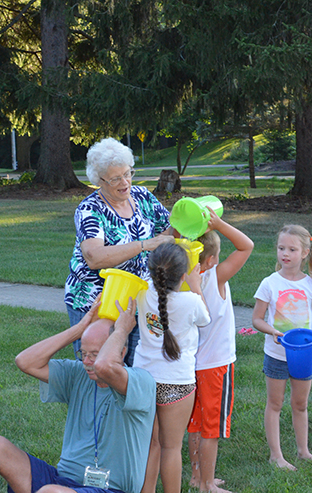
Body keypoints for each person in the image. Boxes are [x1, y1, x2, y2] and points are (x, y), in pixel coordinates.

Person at [0, 296, 156, 493]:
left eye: (95, 354)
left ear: (122, 351)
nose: (87, 361)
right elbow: (25, 361)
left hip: (111, 489)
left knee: (50, 492)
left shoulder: (140, 382)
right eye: (83, 353)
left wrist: (122, 330)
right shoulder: (78, 375)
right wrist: (78, 329)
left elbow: (105, 366)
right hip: (63, 481)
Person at [64, 137, 174, 364]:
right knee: (99, 368)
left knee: (132, 369)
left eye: (128, 173)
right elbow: (94, 257)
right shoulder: (89, 209)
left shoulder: (143, 197)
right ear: (99, 181)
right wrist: (144, 245)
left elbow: (170, 233)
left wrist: (188, 219)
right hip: (96, 302)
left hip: (136, 301)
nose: (125, 182)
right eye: (115, 178)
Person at [133, 242, 211, 493]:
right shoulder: (191, 301)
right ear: (184, 275)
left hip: (143, 380)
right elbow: (206, 319)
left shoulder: (142, 292)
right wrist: (197, 286)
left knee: (151, 444)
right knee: (171, 447)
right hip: (177, 384)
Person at [187, 207, 254, 493]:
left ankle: (194, 475)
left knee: (194, 422)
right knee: (211, 427)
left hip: (189, 366)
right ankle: (207, 485)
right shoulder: (215, 277)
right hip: (216, 365)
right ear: (212, 259)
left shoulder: (182, 280)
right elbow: (246, 245)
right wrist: (220, 223)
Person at [252, 224, 312, 471]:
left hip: (304, 355)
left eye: (292, 249)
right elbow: (256, 319)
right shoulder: (270, 282)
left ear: (305, 253)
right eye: (281, 248)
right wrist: (272, 331)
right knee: (274, 404)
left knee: (300, 404)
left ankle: (302, 451)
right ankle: (275, 455)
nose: (285, 254)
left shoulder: (309, 283)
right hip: (276, 354)